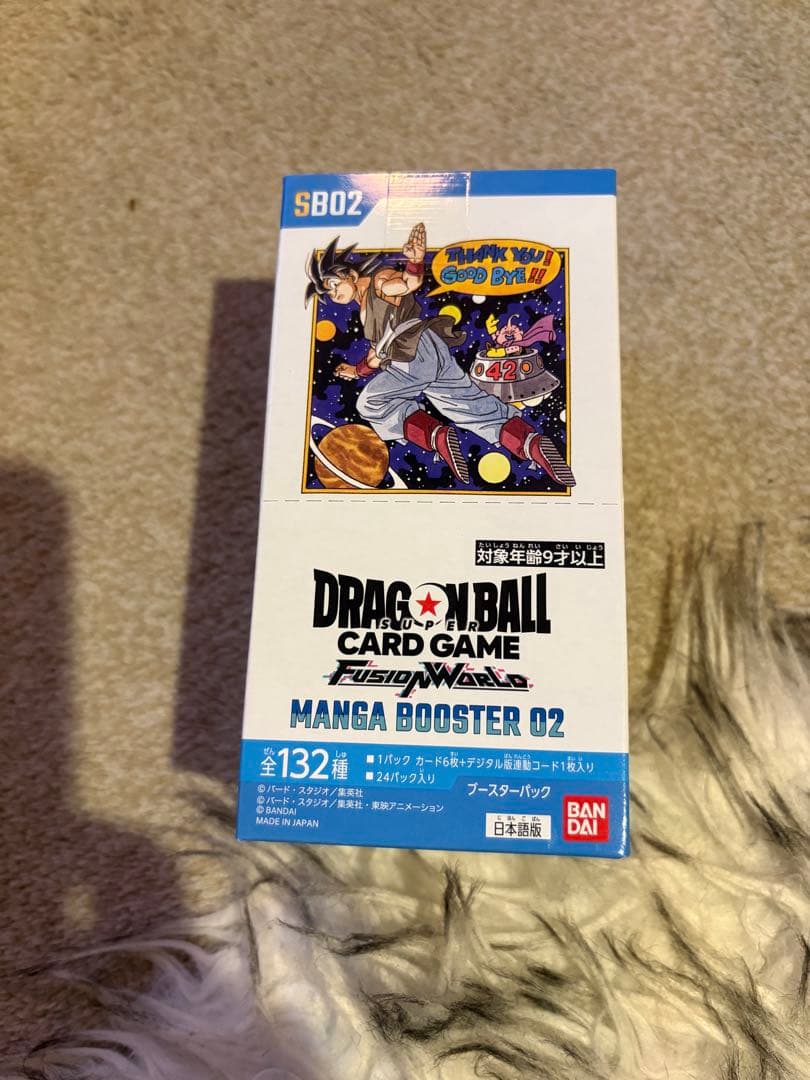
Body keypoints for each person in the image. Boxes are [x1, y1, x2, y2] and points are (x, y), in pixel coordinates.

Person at [305, 224, 575, 487]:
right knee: (471, 407)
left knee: (371, 403)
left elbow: (406, 283)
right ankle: (532, 445)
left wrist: (415, 262)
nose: (333, 294)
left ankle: (435, 436)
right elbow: (378, 354)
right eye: (327, 293)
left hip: (412, 355)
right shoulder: (365, 304)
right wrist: (357, 371)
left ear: (349, 274)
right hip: (430, 349)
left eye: (333, 284)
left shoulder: (378, 283)